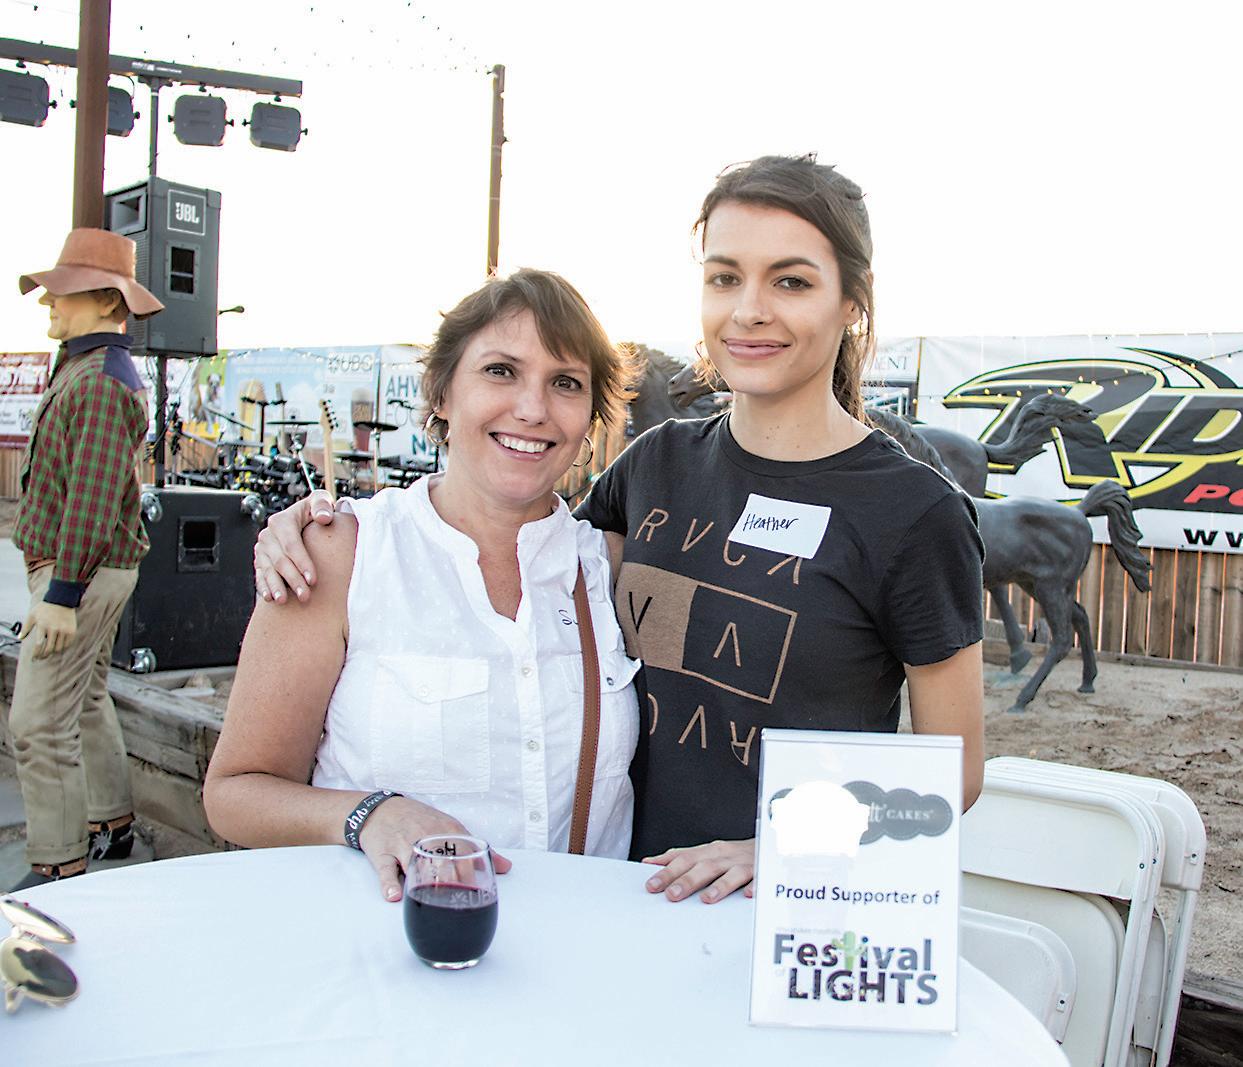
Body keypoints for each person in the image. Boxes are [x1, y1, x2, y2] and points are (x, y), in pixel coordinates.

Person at [253, 155, 986, 906]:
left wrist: (780, 850)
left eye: (791, 282)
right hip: (624, 905)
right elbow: (524, 556)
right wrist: (317, 529)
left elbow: (950, 778)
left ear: (852, 302)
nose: (749, 310)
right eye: (725, 277)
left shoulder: (914, 513)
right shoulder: (656, 466)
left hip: (788, 917)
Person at [204, 270, 641, 903]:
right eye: (500, 371)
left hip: (578, 944)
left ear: (590, 417)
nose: (533, 408)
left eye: (566, 383)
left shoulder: (611, 567)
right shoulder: (341, 553)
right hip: (379, 944)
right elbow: (236, 791)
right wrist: (368, 814)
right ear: (440, 392)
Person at [6, 228, 164, 891]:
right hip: (89, 570)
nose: (50, 304)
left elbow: (93, 506)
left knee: (38, 724)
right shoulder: (88, 366)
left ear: (107, 301)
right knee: (88, 697)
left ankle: (58, 866)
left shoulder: (98, 380)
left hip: (80, 573)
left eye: (63, 293)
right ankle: (111, 823)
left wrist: (61, 595)